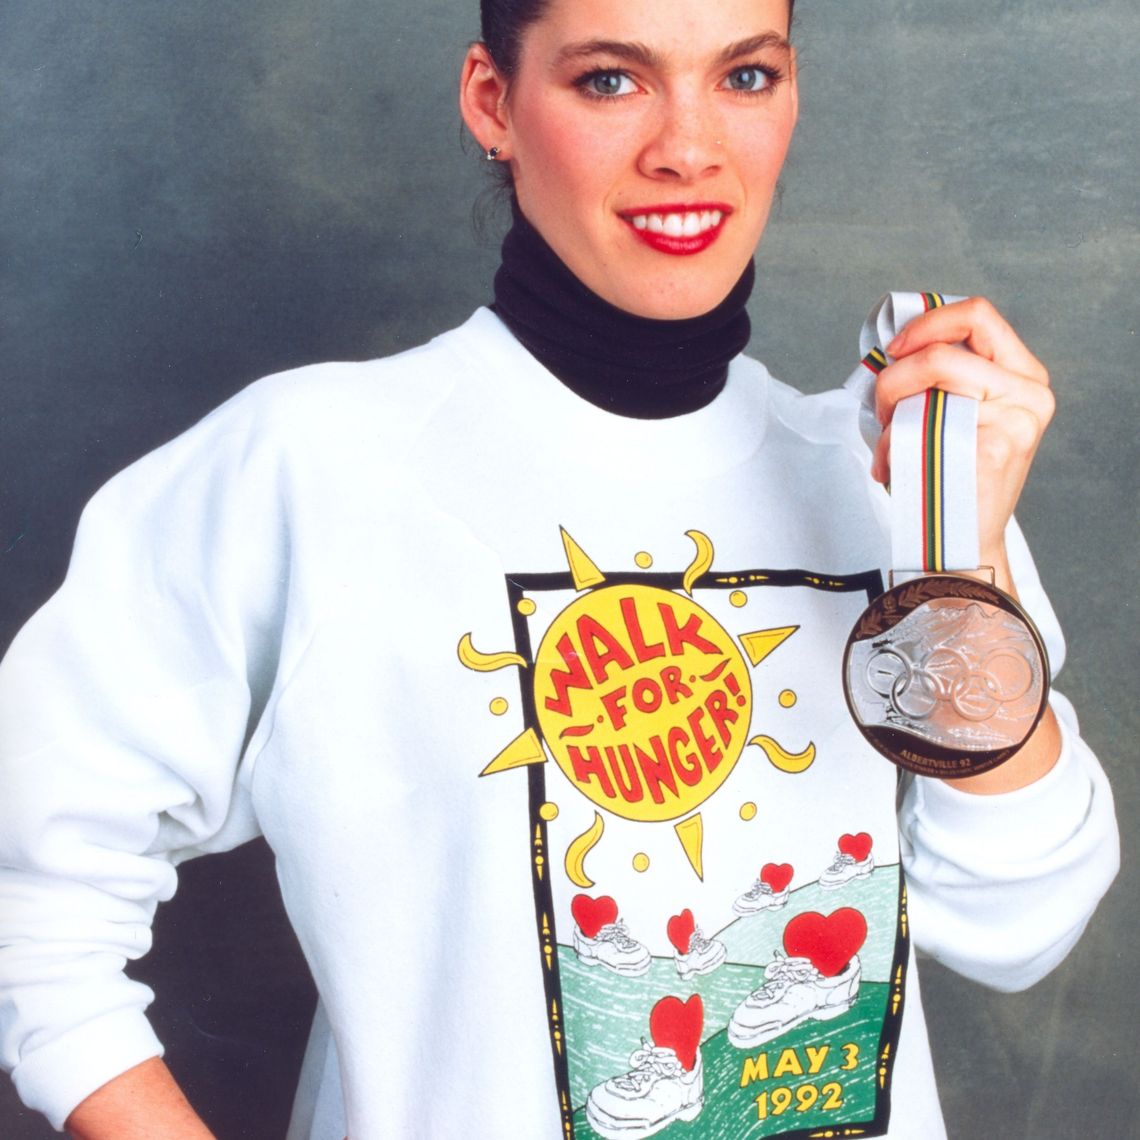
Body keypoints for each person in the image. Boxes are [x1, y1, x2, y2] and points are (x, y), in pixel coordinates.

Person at [0, 1, 1119, 1137]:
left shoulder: (887, 480)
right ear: (494, 100)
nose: (689, 146)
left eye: (744, 77)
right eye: (610, 81)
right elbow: (31, 904)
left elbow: (1020, 927)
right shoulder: (314, 466)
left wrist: (961, 572)